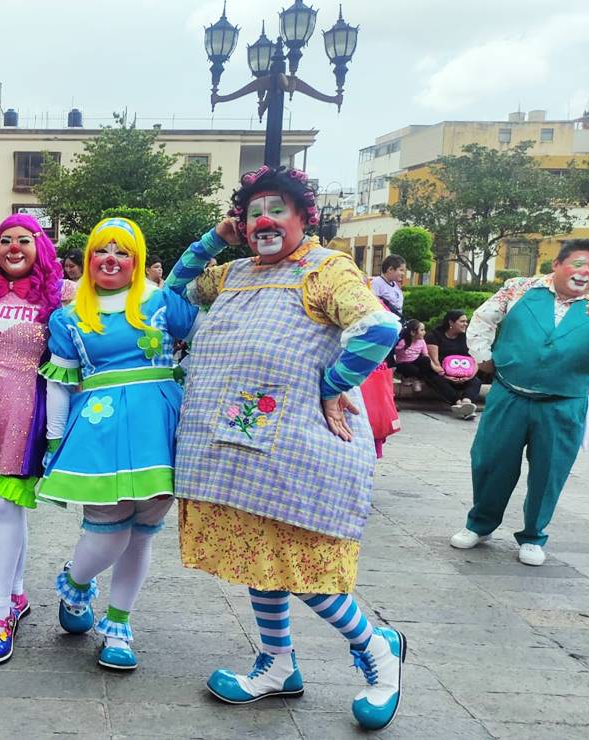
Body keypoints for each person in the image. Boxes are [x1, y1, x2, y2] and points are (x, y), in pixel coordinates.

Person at [173, 166, 404, 730]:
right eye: (252, 212)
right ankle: (277, 663)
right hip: (237, 446)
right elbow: (178, 289)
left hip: (299, 447)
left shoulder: (327, 271)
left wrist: (331, 384)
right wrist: (213, 240)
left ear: (306, 216)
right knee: (257, 553)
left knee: (305, 565)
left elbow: (376, 329)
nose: (264, 221)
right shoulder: (234, 273)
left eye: (277, 209)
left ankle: (377, 650)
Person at [38, 216, 218, 672]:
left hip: (160, 420)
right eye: (103, 249)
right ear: (89, 258)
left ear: (136, 260)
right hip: (100, 425)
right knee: (108, 524)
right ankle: (76, 582)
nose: (111, 258)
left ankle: (119, 624)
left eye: (122, 251)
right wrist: (54, 439)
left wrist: (188, 380)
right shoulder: (68, 315)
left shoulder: (160, 301)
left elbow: (213, 340)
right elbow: (60, 384)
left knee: (145, 524)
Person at [0, 214, 66, 665]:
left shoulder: (58, 298)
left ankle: (0, 614)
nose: (15, 247)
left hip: (25, 414)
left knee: (3, 505)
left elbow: (69, 365)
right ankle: (17, 596)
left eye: (25, 240)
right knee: (8, 506)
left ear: (39, 247)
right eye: (6, 240)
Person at [450, 241, 589, 566]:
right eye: (579, 264)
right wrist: (483, 356)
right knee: (490, 460)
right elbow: (484, 318)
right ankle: (480, 524)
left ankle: (533, 535)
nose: (585, 273)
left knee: (550, 470)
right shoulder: (520, 288)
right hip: (509, 393)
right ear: (556, 264)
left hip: (563, 403)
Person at [425, 310, 482, 419]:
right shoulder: (434, 335)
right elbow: (434, 361)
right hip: (440, 372)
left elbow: (475, 360)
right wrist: (447, 376)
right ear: (451, 323)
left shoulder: (466, 338)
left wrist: (469, 376)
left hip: (463, 373)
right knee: (437, 380)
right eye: (462, 321)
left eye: (466, 321)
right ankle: (457, 403)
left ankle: (466, 403)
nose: (466, 324)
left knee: (476, 381)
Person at [392, 319, 428, 392]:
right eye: (422, 330)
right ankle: (405, 377)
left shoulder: (422, 341)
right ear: (413, 332)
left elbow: (425, 354)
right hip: (403, 364)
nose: (424, 332)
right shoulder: (403, 342)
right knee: (412, 369)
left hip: (415, 361)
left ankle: (417, 378)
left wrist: (433, 365)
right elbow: (394, 351)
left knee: (426, 360)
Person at [371, 254, 406, 319]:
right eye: (401, 270)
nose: (403, 273)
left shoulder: (395, 284)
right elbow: (373, 306)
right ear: (390, 269)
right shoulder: (376, 283)